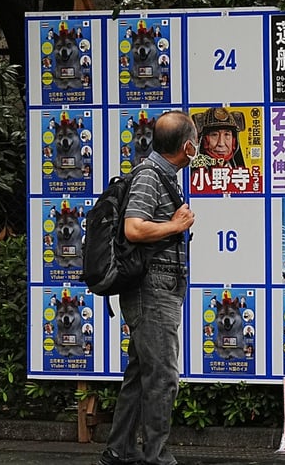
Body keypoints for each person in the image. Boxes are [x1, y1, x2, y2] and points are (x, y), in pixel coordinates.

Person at [97, 111, 196, 465]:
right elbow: (134, 229)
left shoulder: (162, 174)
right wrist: (175, 225)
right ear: (188, 146)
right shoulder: (150, 177)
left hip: (161, 287)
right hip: (151, 289)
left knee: (141, 373)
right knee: (162, 375)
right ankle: (156, 455)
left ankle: (119, 449)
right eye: (196, 140)